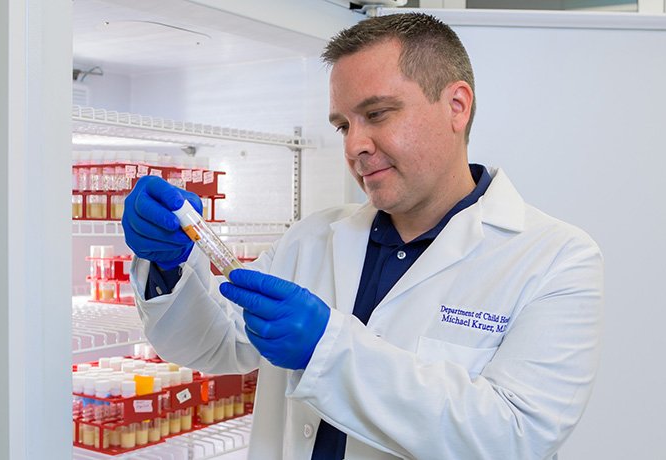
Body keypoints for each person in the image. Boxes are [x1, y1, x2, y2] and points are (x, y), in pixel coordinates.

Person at [122, 13, 603, 460]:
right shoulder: (310, 238)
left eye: (377, 114)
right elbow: (214, 345)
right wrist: (165, 263)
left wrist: (326, 349)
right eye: (343, 125)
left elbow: (515, 437)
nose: (355, 146)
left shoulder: (557, 259)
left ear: (456, 106)